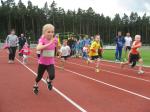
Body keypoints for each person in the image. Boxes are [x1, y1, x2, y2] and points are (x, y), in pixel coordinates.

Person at [33, 24, 59, 95]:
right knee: (39, 77)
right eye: (49, 32)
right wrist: (49, 43)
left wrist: (58, 52)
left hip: (50, 62)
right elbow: (38, 48)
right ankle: (35, 85)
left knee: (52, 75)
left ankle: (48, 80)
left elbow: (57, 46)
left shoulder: (55, 40)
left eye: (52, 32)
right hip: (42, 62)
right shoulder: (42, 40)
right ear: (44, 32)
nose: (51, 33)